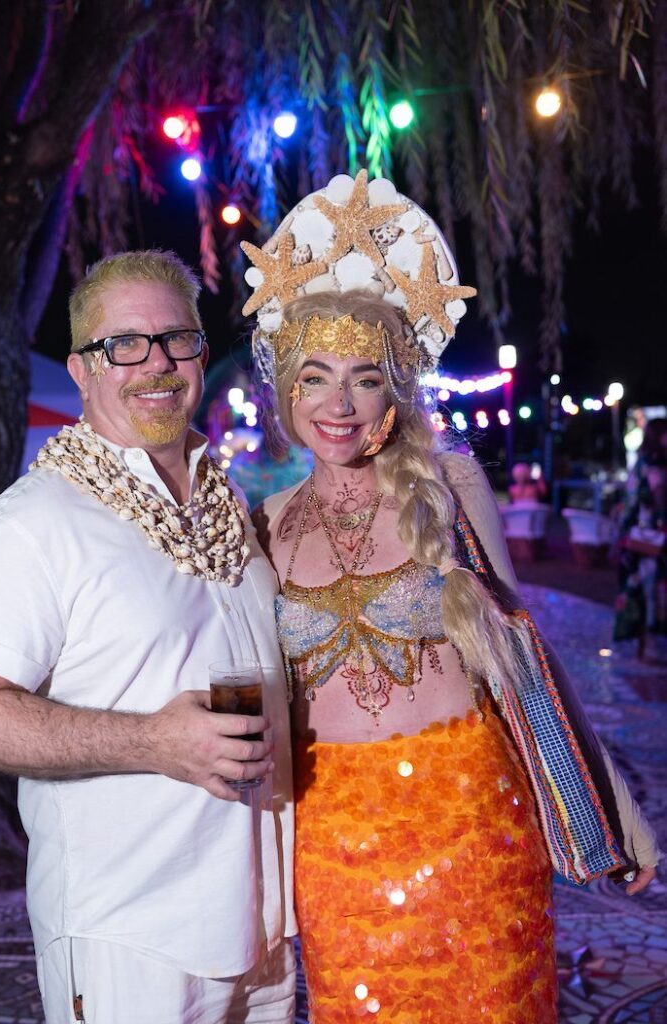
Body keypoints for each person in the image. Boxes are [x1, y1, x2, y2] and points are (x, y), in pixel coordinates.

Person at [241, 171, 660, 1024]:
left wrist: (612, 800)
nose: (339, 404)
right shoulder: (268, 522)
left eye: (364, 377)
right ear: (286, 389)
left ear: (395, 392)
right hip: (333, 846)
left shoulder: (450, 484)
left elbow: (521, 654)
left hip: (473, 828)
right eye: (315, 376)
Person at [0, 250, 297, 1024]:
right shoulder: (30, 526)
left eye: (177, 339)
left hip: (263, 927)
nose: (155, 364)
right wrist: (153, 742)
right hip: (135, 940)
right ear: (82, 369)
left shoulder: (225, 510)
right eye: (122, 344)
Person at [614, 416, 667, 659]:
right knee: (648, 589)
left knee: (653, 589)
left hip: (653, 536)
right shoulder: (648, 465)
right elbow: (634, 501)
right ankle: (648, 645)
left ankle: (651, 645)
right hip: (648, 538)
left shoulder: (654, 464)